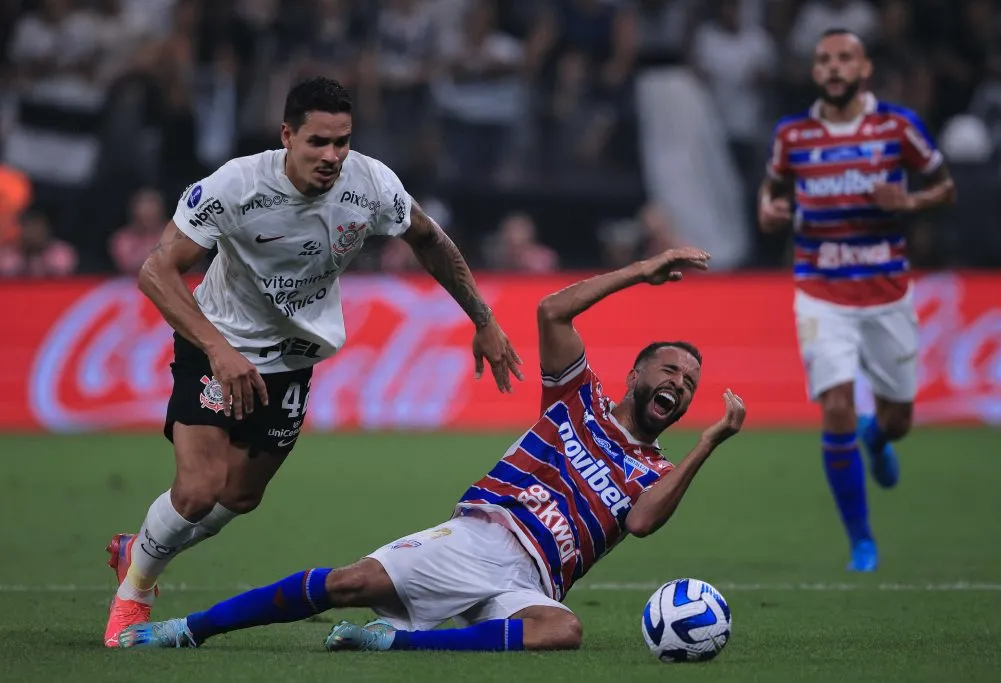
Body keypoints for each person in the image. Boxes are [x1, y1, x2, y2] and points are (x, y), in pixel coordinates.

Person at [113, 247, 747, 652]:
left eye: (688, 384)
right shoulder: (577, 400)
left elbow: (638, 522)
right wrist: (640, 272)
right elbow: (553, 311)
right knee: (348, 582)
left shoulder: (656, 471)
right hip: (481, 536)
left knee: (563, 629)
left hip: (535, 580)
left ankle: (398, 645)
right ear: (635, 376)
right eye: (668, 371)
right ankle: (190, 629)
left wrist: (707, 444)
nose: (678, 385)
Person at [104, 76, 524, 646]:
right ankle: (137, 589)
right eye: (318, 142)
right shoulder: (236, 184)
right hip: (216, 343)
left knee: (240, 497)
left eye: (342, 141)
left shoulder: (370, 184)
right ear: (287, 136)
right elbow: (156, 270)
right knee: (200, 489)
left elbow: (428, 238)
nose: (332, 156)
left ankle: (143, 544)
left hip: (294, 357)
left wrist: (483, 318)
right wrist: (218, 350)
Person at [757, 29, 955, 571]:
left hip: (887, 292)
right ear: (815, 71)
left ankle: (877, 437)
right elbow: (771, 191)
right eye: (824, 60)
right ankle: (862, 542)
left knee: (897, 420)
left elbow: (946, 186)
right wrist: (768, 210)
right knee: (836, 406)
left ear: (864, 67)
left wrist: (909, 201)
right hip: (820, 294)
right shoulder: (793, 134)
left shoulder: (898, 126)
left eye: (845, 58)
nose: (834, 68)